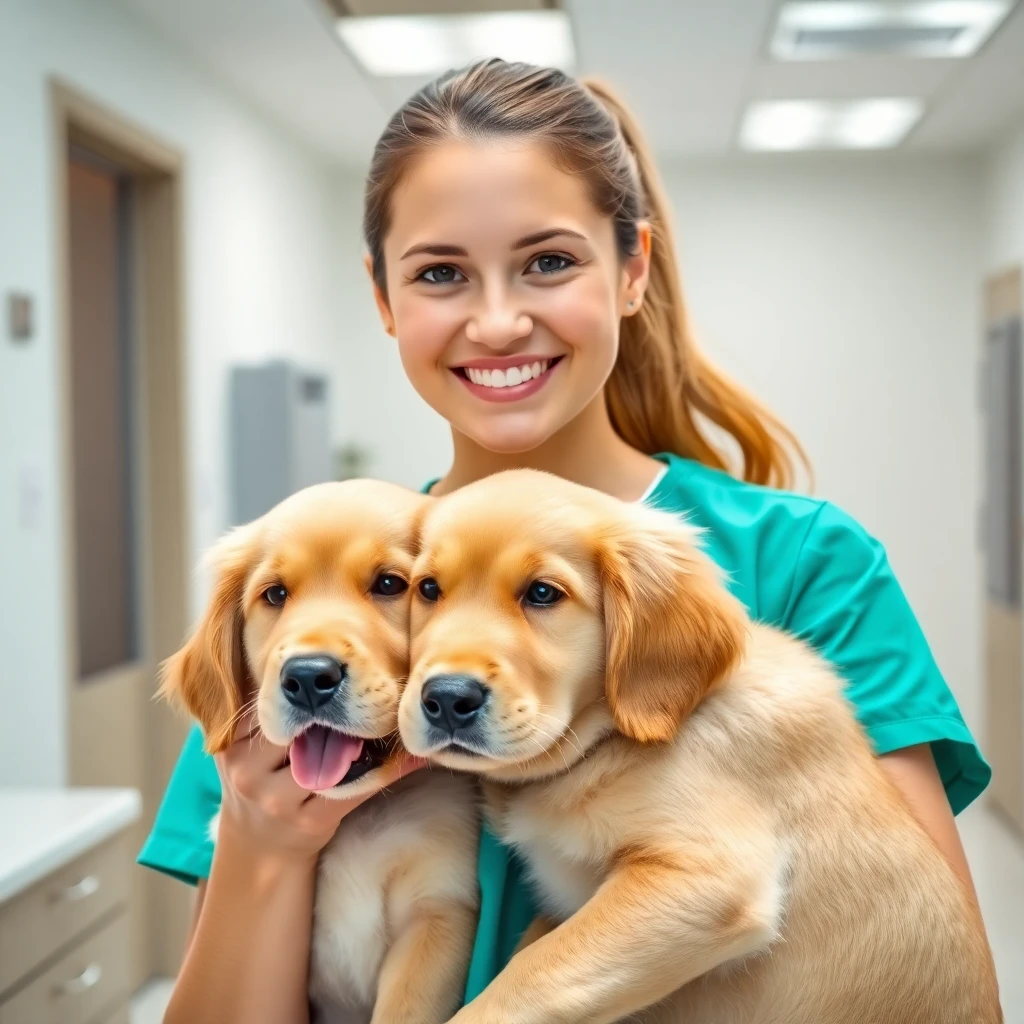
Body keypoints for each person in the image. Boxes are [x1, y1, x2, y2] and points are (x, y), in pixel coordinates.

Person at [142, 59, 991, 1023]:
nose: (499, 321)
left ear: (632, 271)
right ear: (383, 298)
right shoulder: (325, 591)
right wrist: (264, 838)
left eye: (549, 261)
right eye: (440, 273)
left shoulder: (804, 563)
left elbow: (933, 972)